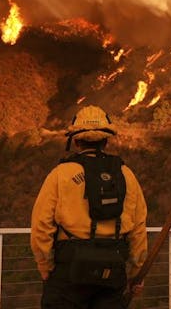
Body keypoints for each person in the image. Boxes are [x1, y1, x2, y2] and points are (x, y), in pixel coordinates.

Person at [31, 105, 148, 308]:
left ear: (75, 140)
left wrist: (45, 266)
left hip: (69, 270)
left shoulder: (61, 174)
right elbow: (138, 229)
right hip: (113, 269)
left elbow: (41, 226)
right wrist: (136, 273)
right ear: (106, 140)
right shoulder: (126, 175)